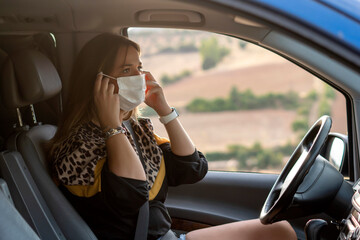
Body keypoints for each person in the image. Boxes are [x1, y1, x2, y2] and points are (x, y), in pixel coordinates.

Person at [49, 33, 297, 240]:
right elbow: (133, 194)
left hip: (165, 235)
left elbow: (192, 168)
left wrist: (164, 111)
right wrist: (111, 126)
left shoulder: (135, 129)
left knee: (279, 230)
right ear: (98, 82)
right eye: (126, 70)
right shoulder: (75, 147)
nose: (139, 77)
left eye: (140, 67)